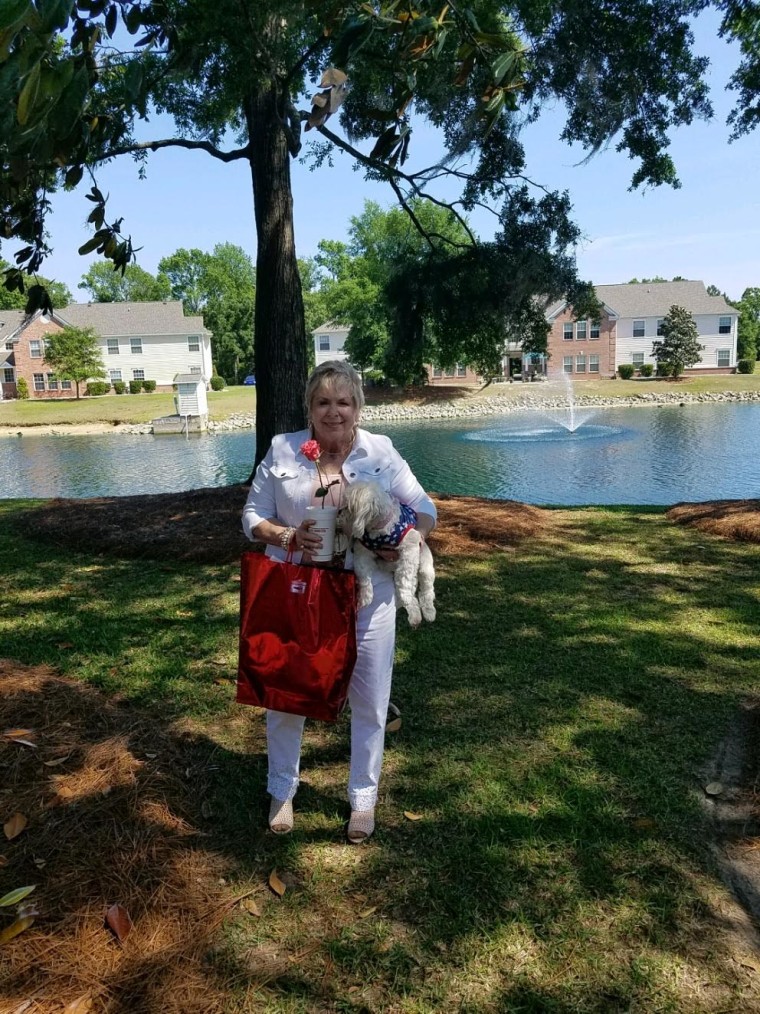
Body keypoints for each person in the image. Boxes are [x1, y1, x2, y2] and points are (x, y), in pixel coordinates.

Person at [242, 360, 436, 843]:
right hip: (298, 593)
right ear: (309, 407)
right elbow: (251, 515)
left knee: (371, 700)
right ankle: (282, 789)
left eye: (344, 401)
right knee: (287, 697)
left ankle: (362, 798)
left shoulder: (381, 452)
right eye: (323, 401)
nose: (334, 412)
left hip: (367, 596)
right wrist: (288, 536)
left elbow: (426, 510)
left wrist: (405, 537)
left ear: (358, 407)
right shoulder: (283, 449)